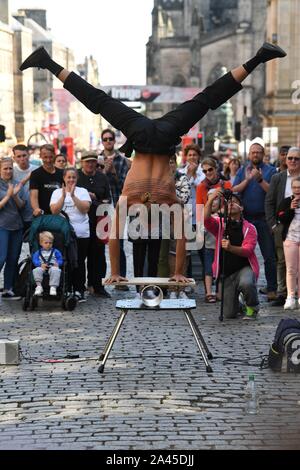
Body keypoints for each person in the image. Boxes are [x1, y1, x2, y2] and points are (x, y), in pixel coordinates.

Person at [19, 42, 286, 283]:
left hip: (146, 133)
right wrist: (175, 271)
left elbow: (116, 237)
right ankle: (258, 58)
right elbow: (175, 238)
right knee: (197, 100)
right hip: (153, 133)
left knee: (200, 100)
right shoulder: (163, 201)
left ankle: (259, 57)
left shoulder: (134, 199)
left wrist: (117, 272)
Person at [232, 141, 278, 301]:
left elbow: (273, 193)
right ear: (249, 155)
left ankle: (272, 288)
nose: (255, 155)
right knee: (243, 255)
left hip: (264, 219)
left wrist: (259, 180)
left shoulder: (271, 171)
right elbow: (234, 190)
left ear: (263, 154)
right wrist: (247, 180)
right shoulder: (242, 170)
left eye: (258, 152)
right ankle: (242, 289)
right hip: (246, 220)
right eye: (253, 152)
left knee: (269, 256)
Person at [204, 191, 260, 320]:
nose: (231, 204)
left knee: (246, 283)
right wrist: (211, 198)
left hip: (244, 269)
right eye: (229, 202)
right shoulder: (220, 224)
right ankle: (241, 305)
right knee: (229, 314)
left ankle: (253, 307)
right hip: (226, 273)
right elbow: (206, 219)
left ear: (242, 208)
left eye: (235, 202)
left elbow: (248, 250)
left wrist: (230, 248)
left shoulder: (249, 228)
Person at [265, 147, 300, 306]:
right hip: (282, 225)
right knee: (281, 260)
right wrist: (273, 225)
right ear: (286, 160)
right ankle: (283, 292)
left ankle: (296, 293)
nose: (293, 161)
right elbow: (270, 202)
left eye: (296, 158)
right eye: (290, 158)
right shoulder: (277, 178)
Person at [50, 167, 91, 302]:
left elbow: (85, 209)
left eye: (73, 177)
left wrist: (73, 196)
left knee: (79, 262)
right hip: (64, 235)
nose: (71, 180)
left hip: (81, 233)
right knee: (65, 262)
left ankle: (79, 290)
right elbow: (55, 211)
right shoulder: (57, 192)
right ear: (64, 178)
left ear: (77, 178)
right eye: (69, 177)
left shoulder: (83, 191)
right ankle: (66, 289)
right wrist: (63, 196)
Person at [77, 151, 111, 298]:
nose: (90, 164)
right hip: (81, 220)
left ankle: (97, 285)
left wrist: (95, 197)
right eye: (87, 162)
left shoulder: (102, 177)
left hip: (99, 219)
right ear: (81, 163)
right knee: (80, 254)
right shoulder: (76, 176)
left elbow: (107, 199)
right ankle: (79, 286)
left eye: (93, 162)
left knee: (98, 255)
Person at [100, 128, 129, 289]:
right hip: (103, 208)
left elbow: (125, 186)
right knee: (102, 243)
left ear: (114, 141)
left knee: (119, 243)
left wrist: (114, 173)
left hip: (119, 206)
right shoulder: (97, 159)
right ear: (102, 141)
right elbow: (97, 183)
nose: (108, 141)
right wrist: (105, 171)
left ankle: (121, 278)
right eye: (105, 139)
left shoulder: (122, 160)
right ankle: (103, 278)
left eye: (111, 138)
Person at [0, 157, 26, 300]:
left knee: (12, 259)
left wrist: (15, 196)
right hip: (2, 226)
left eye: (10, 168)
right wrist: (9, 195)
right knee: (1, 258)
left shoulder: (17, 184)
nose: (8, 171)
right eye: (5, 168)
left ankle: (8, 289)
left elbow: (21, 206)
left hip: (17, 226)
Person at [277, 176, 300, 309]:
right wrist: (291, 209)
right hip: (290, 238)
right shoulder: (286, 202)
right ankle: (290, 296)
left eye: (299, 187)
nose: (297, 190)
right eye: (295, 187)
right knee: (291, 269)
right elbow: (281, 218)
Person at [29, 144, 63, 216]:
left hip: (61, 214)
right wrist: (36, 209)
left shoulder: (62, 173)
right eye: (45, 157)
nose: (48, 160)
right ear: (40, 156)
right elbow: (33, 196)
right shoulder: (36, 174)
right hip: (43, 215)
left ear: (54, 155)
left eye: (51, 157)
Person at [12, 144, 38, 233]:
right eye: (18, 156)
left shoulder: (37, 170)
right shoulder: (11, 171)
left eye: (24, 155)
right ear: (14, 158)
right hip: (17, 217)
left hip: (34, 215)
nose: (22, 159)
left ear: (28, 155)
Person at [32, 231, 63, 297]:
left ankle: (53, 287)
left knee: (56, 270)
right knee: (36, 270)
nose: (48, 244)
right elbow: (35, 260)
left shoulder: (56, 251)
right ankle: (39, 286)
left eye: (50, 243)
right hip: (42, 266)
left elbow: (60, 259)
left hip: (53, 266)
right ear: (41, 243)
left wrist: (58, 263)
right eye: (46, 243)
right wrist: (39, 264)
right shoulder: (38, 252)